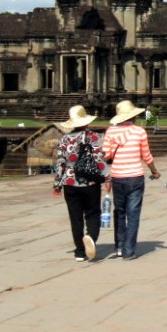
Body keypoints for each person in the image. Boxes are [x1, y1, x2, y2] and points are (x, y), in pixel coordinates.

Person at [103, 100, 161, 261]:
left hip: (117, 177)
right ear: (133, 116)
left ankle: (120, 247)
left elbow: (106, 155)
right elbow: (146, 156)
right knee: (133, 214)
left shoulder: (110, 132)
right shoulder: (139, 131)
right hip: (135, 176)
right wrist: (154, 171)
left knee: (120, 212)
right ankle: (129, 251)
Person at [52, 105, 106, 262]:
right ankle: (90, 236)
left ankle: (79, 252)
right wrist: (107, 178)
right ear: (86, 122)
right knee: (93, 213)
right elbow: (100, 161)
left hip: (70, 182)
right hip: (90, 182)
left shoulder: (64, 139)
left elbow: (60, 163)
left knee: (75, 218)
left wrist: (57, 185)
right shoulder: (94, 137)